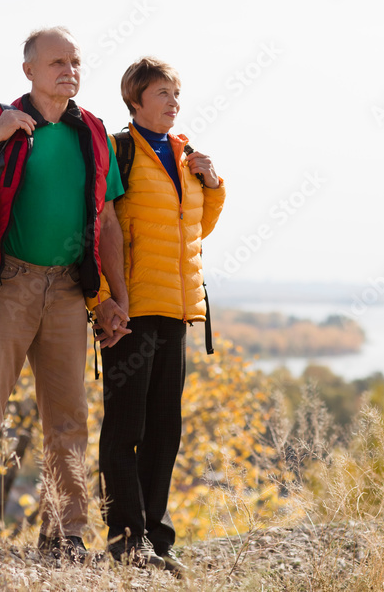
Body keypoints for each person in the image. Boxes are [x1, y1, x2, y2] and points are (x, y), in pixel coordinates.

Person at [0, 27, 131, 561]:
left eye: (76, 62)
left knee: (69, 421)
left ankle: (64, 537)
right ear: (30, 71)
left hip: (68, 289)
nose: (69, 70)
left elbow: (107, 219)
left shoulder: (94, 132)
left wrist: (115, 298)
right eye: (57, 61)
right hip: (4, 285)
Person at [91, 57, 226, 574]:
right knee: (125, 426)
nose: (173, 102)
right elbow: (98, 227)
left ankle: (156, 539)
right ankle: (127, 541)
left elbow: (195, 231)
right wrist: (104, 299)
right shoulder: (120, 151)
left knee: (166, 427)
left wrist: (211, 184)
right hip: (131, 311)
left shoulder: (185, 153)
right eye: (162, 93)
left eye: (176, 93)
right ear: (136, 100)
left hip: (177, 310)